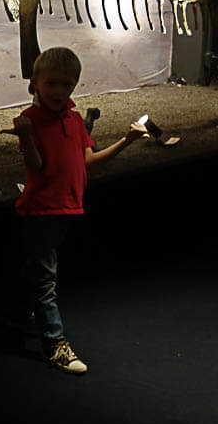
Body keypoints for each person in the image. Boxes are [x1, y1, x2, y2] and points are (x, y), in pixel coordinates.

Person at [8, 47, 146, 374]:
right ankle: (53, 343)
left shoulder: (73, 119)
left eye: (65, 84)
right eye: (51, 83)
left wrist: (126, 140)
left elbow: (89, 162)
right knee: (45, 277)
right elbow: (37, 167)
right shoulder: (31, 121)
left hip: (67, 209)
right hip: (42, 210)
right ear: (35, 83)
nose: (58, 91)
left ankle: (19, 311)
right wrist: (26, 138)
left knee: (37, 267)